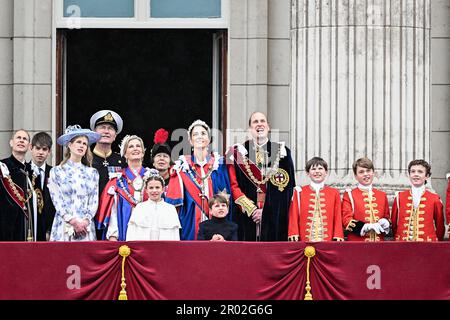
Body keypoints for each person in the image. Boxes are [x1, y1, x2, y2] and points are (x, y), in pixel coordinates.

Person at [226, 111, 295, 241]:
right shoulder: (238, 153)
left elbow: (287, 188)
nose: (259, 125)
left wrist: (266, 212)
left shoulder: (282, 152)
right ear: (250, 128)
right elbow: (233, 186)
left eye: (262, 121)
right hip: (246, 217)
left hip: (274, 218)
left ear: (268, 127)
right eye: (255, 122)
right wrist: (252, 210)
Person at [166, 120, 232, 240]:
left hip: (217, 222)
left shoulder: (219, 164)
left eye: (203, 133)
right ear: (190, 141)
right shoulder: (181, 167)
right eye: (195, 134)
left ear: (209, 139)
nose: (199, 136)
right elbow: (173, 205)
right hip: (190, 222)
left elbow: (226, 195)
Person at [48, 125, 100, 241]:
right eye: (78, 142)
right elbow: (56, 199)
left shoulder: (92, 173)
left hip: (85, 226)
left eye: (85, 144)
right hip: (64, 225)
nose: (81, 145)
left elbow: (94, 200)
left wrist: (85, 221)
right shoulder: (56, 171)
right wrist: (72, 221)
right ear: (70, 145)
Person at [96, 135, 150, 241]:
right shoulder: (117, 180)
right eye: (131, 146)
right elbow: (112, 211)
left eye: (138, 146)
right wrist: (113, 235)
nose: (135, 148)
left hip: (149, 231)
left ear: (143, 152)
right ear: (125, 153)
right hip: (123, 231)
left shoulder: (152, 177)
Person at [288, 157, 344, 242]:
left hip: (328, 241)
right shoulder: (299, 192)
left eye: (320, 168)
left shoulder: (334, 193)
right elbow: (294, 215)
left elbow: (338, 217)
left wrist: (338, 235)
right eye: (313, 169)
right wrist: (293, 233)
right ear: (308, 173)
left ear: (326, 172)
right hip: (305, 241)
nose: (317, 171)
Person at [391, 159, 445, 241]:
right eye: (413, 171)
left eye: (420, 172)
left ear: (427, 176)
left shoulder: (435, 198)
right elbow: (394, 224)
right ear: (409, 174)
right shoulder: (399, 197)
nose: (416, 174)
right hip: (402, 245)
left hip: (427, 246)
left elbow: (440, 226)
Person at [341, 157, 390, 241]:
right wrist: (366, 226)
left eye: (368, 171)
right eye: (361, 172)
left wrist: (386, 222)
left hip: (379, 246)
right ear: (356, 176)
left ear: (373, 173)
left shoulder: (382, 195)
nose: (366, 174)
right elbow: (346, 221)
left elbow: (387, 217)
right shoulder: (349, 195)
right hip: (357, 245)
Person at [126, 169, 181, 240]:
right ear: (146, 190)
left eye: (157, 187)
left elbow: (175, 235)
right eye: (151, 188)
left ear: (163, 189)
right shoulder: (140, 208)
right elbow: (131, 233)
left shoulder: (170, 209)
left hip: (164, 250)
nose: (154, 191)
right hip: (143, 249)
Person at [0, 129, 32, 241]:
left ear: (29, 146)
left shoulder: (31, 171)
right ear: (11, 143)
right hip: (5, 225)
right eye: (18, 138)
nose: (21, 141)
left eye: (25, 139)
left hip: (26, 226)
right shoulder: (2, 167)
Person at [90, 110, 125, 195]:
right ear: (94, 133)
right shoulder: (85, 159)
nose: (106, 131)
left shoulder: (122, 161)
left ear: (115, 136)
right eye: (102, 127)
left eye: (110, 128)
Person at [29, 132, 56, 241]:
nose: (40, 152)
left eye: (44, 149)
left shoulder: (54, 173)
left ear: (49, 152)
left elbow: (55, 204)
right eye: (38, 148)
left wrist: (50, 230)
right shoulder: (24, 171)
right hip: (29, 228)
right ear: (31, 148)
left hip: (49, 229)